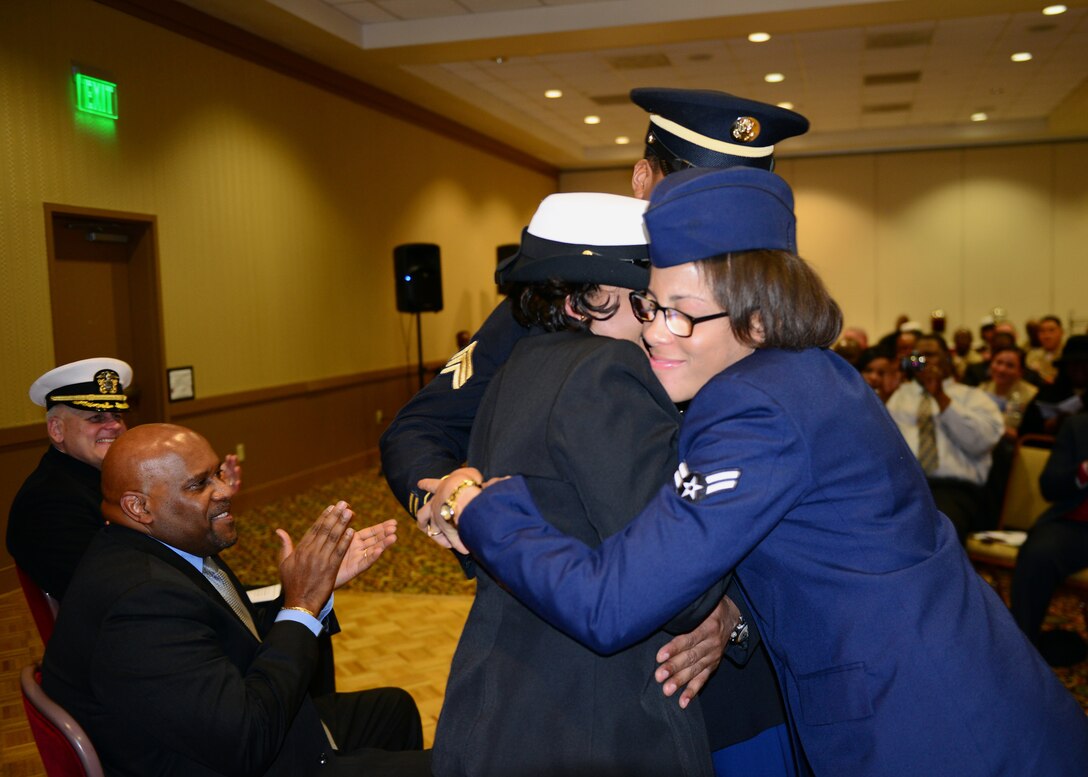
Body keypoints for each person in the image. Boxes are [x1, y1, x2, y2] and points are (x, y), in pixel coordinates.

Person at [423, 167, 1088, 776]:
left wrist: (480, 506)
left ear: (760, 316)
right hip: (951, 694)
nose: (657, 333)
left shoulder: (755, 409)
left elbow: (612, 602)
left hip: (932, 730)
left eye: (683, 312)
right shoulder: (802, 374)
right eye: (652, 306)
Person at [381, 86, 810, 703]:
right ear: (643, 179)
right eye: (689, 190)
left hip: (733, 669)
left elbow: (793, 494)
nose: (713, 222)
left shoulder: (765, 313)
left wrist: (735, 615)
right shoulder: (574, 292)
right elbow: (419, 429)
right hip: (593, 667)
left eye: (740, 198)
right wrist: (446, 498)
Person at [432, 191, 766, 777]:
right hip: (601, 724)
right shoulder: (609, 372)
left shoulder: (514, 374)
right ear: (592, 298)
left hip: (499, 706)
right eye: (646, 303)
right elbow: (681, 589)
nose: (660, 325)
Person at [42, 424, 430, 777]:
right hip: (242, 757)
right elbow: (247, 743)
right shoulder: (140, 602)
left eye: (218, 473)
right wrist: (302, 604)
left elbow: (232, 641)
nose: (226, 490)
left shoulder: (169, 547)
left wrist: (315, 592)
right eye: (199, 485)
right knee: (458, 765)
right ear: (139, 507)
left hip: (248, 726)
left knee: (395, 708)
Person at [885, 333, 1004, 541]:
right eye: (917, 356)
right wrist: (882, 397)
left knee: (933, 529)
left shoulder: (973, 397)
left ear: (947, 359)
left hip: (955, 490)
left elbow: (980, 443)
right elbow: (883, 446)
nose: (923, 361)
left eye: (930, 355)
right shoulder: (900, 396)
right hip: (907, 486)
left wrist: (940, 396)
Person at [1009, 412, 1088, 666]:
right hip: (1075, 526)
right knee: (1038, 554)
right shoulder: (1079, 425)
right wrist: (1083, 472)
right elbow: (1049, 486)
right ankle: (1021, 652)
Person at [1019, 334, 1088, 437]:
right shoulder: (1047, 394)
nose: (1079, 369)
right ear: (1065, 366)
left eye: (1085, 364)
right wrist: (1052, 424)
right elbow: (1026, 430)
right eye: (1074, 364)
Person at [1026, 314, 1064, 384]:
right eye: (1042, 331)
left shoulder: (1067, 354)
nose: (1046, 335)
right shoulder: (1032, 355)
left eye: (1051, 330)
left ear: (1061, 332)